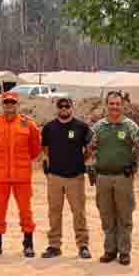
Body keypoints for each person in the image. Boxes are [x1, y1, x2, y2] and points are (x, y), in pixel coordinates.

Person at [89, 91, 139, 265]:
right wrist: (93, 163)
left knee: (124, 215)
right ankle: (110, 250)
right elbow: (89, 147)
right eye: (111, 104)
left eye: (117, 104)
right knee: (106, 215)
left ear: (122, 106)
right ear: (107, 106)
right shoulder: (98, 127)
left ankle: (124, 251)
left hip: (123, 177)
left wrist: (133, 162)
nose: (114, 107)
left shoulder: (130, 126)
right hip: (103, 177)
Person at [0, 92, 41, 258]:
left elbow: (35, 149)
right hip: (0, 176)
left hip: (22, 176)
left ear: (17, 104)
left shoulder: (28, 124)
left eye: (12, 102)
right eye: (6, 102)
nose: (9, 105)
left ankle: (28, 243)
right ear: (2, 104)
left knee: (26, 211)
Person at [40, 97, 93, 259]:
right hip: (55, 176)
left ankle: (83, 245)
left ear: (72, 107)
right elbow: (45, 148)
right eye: (60, 106)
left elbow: (89, 149)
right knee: (54, 212)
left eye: (67, 106)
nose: (64, 108)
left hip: (75, 177)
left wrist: (79, 162)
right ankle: (54, 245)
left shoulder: (82, 127)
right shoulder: (49, 128)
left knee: (79, 212)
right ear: (57, 108)